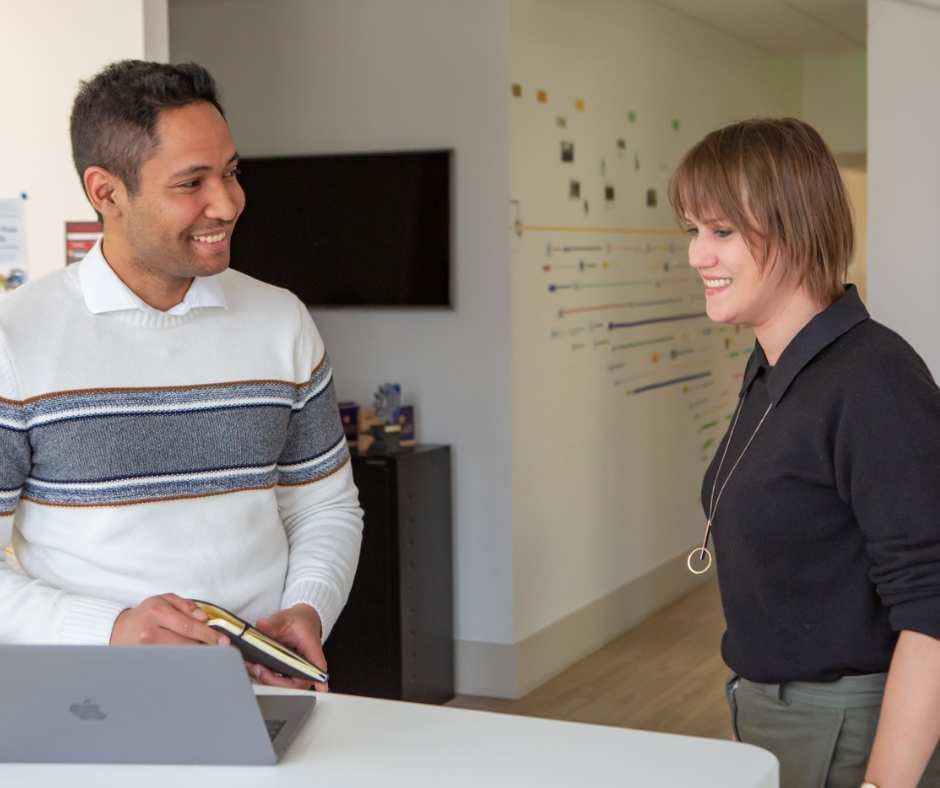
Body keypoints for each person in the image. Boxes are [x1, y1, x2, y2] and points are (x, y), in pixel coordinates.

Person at [0, 60, 363, 691]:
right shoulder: (14, 339)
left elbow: (325, 505)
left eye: (230, 172)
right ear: (105, 192)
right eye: (191, 182)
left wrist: (309, 606)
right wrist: (111, 627)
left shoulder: (282, 320)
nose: (227, 202)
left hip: (265, 690)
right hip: (88, 697)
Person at [669, 118, 940, 788]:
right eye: (692, 231)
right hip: (770, 707)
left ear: (795, 228)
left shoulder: (872, 378)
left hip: (850, 730)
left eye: (722, 231)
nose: (697, 255)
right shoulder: (775, 367)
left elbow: (935, 610)